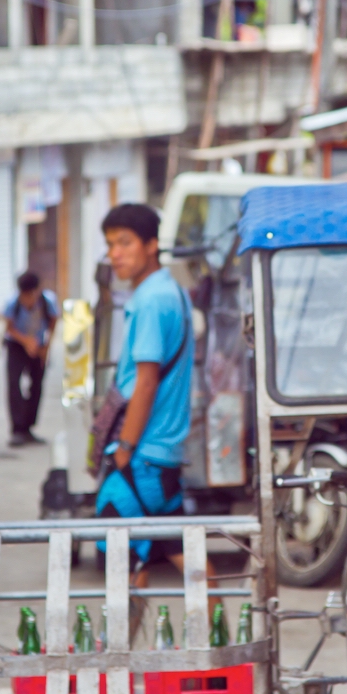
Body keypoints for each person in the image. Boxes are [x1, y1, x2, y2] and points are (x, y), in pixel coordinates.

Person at [92, 203, 208, 590]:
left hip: (142, 457)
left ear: (152, 245)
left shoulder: (151, 300)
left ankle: (119, 651)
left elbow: (145, 382)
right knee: (177, 559)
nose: (115, 254)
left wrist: (124, 447)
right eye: (110, 244)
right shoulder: (170, 291)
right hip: (162, 457)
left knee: (120, 568)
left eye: (125, 243)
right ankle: (232, 644)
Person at [3, 271, 59, 447]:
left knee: (36, 386)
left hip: (39, 345)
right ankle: (17, 429)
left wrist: (46, 348)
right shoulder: (12, 303)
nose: (27, 299)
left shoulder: (47, 301)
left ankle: (28, 427)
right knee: (14, 384)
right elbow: (9, 328)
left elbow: (53, 322)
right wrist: (26, 341)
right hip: (17, 345)